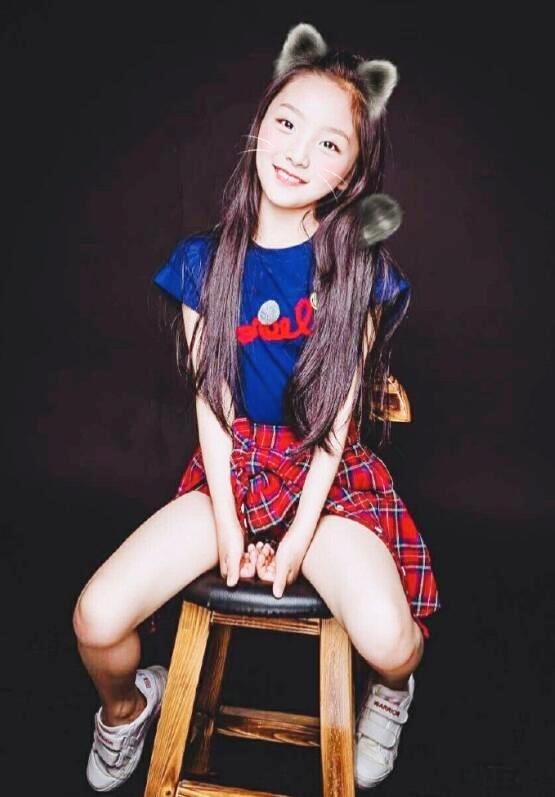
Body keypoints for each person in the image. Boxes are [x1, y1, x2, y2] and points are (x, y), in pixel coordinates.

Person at [72, 21, 441, 792]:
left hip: (325, 482)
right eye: (285, 123)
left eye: (328, 144)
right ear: (260, 125)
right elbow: (212, 404)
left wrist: (297, 537)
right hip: (235, 467)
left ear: (350, 173)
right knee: (96, 619)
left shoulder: (355, 269)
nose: (297, 153)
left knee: (388, 641)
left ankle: (393, 693)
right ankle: (126, 711)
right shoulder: (203, 263)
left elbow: (336, 420)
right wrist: (230, 524)